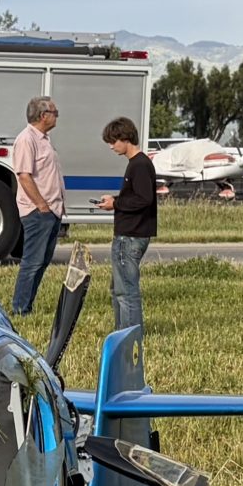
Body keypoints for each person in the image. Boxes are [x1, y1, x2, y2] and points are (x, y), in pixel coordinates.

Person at [95, 116, 158, 334]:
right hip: (129, 234)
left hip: (130, 236)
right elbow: (138, 196)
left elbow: (144, 198)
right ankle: (122, 331)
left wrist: (116, 203)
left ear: (125, 138)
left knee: (126, 291)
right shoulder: (138, 164)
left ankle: (129, 334)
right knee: (118, 289)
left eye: (113, 141)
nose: (111, 146)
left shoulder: (139, 165)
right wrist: (115, 199)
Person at [7, 95, 66, 316]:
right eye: (55, 113)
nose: (57, 116)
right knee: (32, 262)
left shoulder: (44, 139)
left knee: (42, 261)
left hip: (52, 210)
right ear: (43, 115)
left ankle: (27, 305)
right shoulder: (26, 139)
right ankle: (20, 308)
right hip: (38, 212)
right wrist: (41, 204)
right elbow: (24, 175)